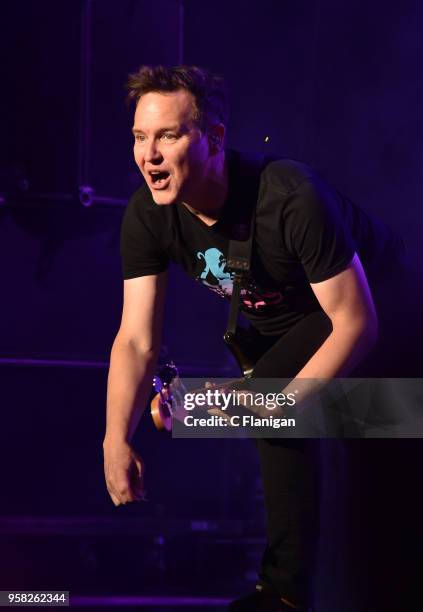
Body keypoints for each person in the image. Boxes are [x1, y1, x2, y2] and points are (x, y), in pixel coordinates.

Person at [102, 65, 410, 611]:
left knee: (276, 401)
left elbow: (356, 322)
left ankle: (286, 593)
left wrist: (274, 407)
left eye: (168, 135)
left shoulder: (290, 196)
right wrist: (115, 440)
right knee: (252, 405)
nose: (148, 154)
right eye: (139, 137)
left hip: (387, 308)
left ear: (215, 138)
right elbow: (134, 341)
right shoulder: (148, 216)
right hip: (294, 325)